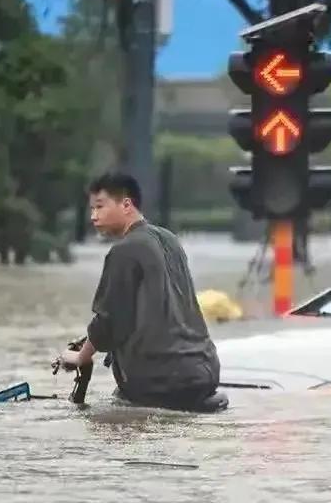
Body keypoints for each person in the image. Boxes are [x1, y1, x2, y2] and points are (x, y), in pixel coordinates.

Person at [57, 172, 221, 411]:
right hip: (205, 372)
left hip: (160, 383)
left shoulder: (125, 250)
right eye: (91, 209)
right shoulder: (170, 239)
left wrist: (80, 357)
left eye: (100, 207)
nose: (93, 216)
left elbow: (108, 322)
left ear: (126, 204)